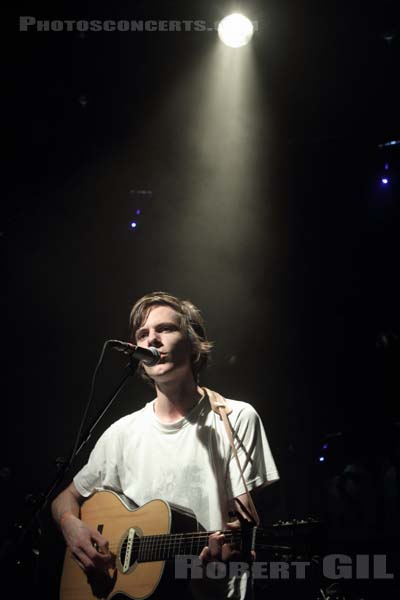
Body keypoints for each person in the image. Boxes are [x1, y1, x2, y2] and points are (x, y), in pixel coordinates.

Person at [51, 291, 279, 599]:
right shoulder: (122, 433)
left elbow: (246, 529)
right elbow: (65, 499)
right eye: (143, 334)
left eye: (165, 329)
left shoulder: (235, 418)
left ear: (193, 341)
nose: (151, 340)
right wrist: (70, 526)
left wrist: (230, 556)